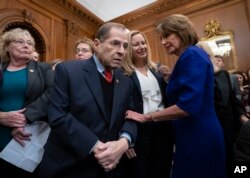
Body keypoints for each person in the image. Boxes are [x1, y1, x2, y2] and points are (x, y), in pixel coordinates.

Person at [125, 14, 226, 178]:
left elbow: (187, 106)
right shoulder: (188, 56)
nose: (163, 42)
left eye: (167, 36)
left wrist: (147, 117)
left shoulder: (191, 55)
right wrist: (171, 79)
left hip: (198, 135)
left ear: (181, 32)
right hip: (190, 134)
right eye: (161, 38)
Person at [39, 22, 137, 178]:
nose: (121, 51)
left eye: (125, 46)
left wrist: (124, 142)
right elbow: (58, 116)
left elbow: (132, 116)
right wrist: (96, 147)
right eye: (115, 43)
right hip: (69, 166)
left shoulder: (126, 81)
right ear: (97, 44)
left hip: (112, 167)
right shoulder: (68, 70)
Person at [0, 28, 54, 177]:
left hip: (26, 136)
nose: (26, 45)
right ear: (6, 46)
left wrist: (25, 118)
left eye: (29, 43)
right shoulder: (0, 69)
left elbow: (52, 94)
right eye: (19, 41)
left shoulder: (43, 68)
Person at [122, 30, 173, 178]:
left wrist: (168, 80)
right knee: (142, 171)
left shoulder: (157, 69)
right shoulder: (124, 74)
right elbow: (120, 109)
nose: (141, 47)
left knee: (163, 169)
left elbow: (168, 99)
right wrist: (126, 139)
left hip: (163, 127)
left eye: (143, 43)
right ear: (129, 49)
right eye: (136, 44)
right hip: (140, 131)